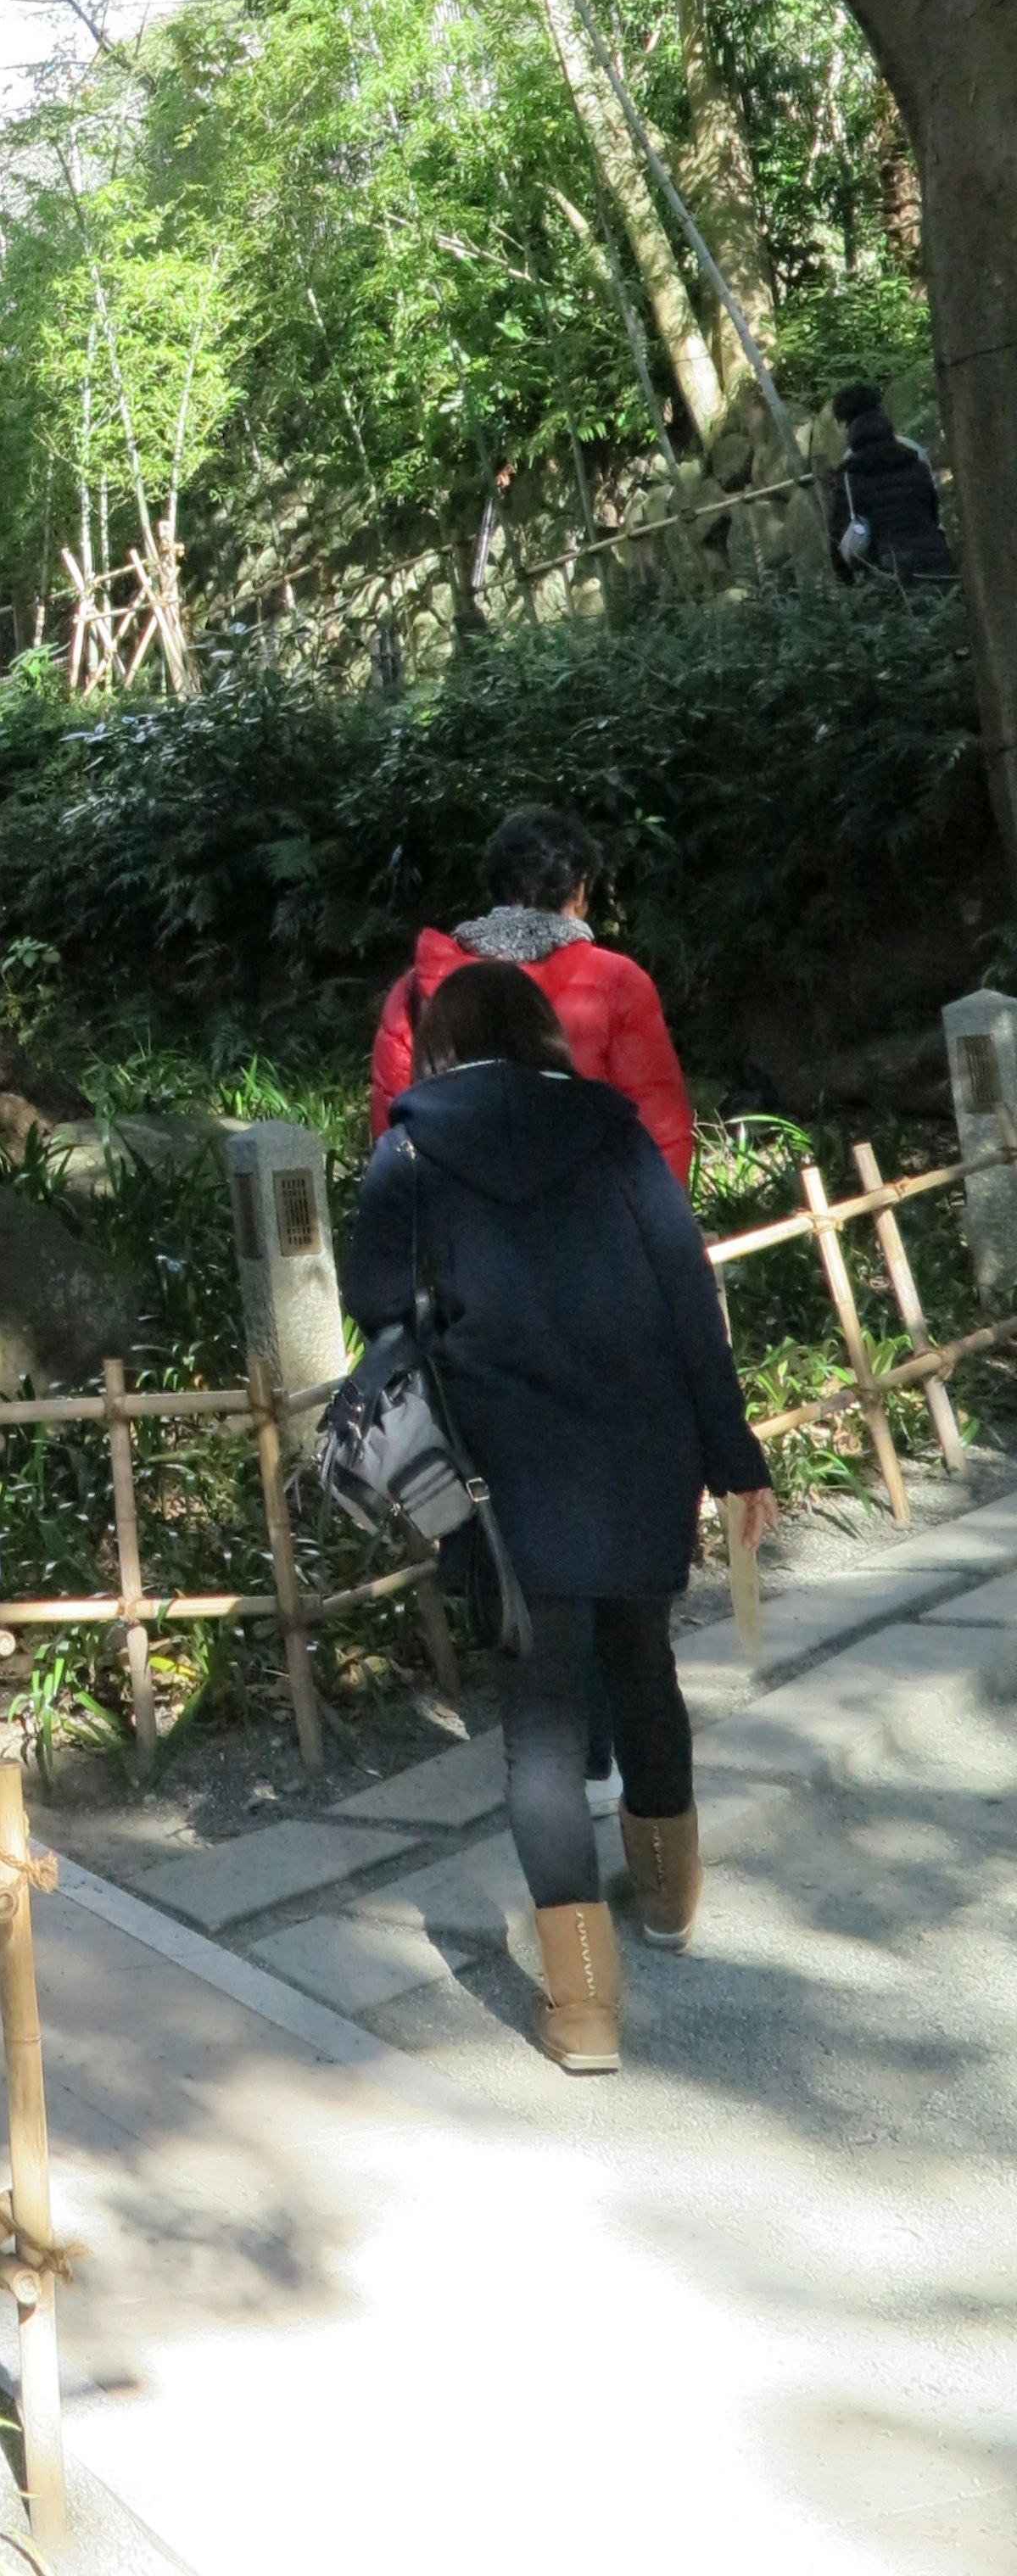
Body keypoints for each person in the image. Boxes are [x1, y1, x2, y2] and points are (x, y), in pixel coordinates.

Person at [345, 958, 774, 2076]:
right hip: (641, 1450)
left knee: (539, 1717)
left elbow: (376, 1303)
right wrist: (735, 1460)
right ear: (542, 1034)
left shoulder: (412, 1148)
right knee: (643, 1664)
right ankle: (672, 1900)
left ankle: (583, 2011)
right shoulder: (614, 1133)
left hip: (504, 1469)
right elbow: (690, 1299)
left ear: (438, 1042)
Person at [366, 802, 696, 1182]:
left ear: (497, 888)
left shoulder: (420, 985)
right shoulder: (618, 982)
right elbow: (659, 1127)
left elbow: (391, 1124)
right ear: (579, 890)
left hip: (461, 1224)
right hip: (585, 1220)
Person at [826, 381, 955, 586]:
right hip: (938, 563)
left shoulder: (850, 473)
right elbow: (932, 511)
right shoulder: (913, 455)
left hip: (890, 574)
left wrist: (847, 583)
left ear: (845, 424)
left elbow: (839, 536)